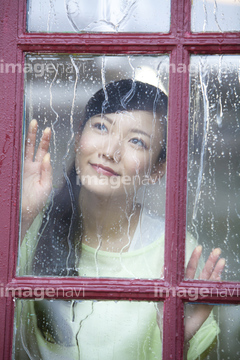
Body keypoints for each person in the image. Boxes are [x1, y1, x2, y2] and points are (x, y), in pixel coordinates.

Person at [16, 79, 225, 360]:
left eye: (137, 141)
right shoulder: (27, 224)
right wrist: (21, 218)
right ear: (79, 137)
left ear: (156, 170)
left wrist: (178, 343)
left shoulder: (177, 252)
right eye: (102, 126)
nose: (110, 151)